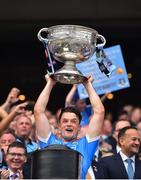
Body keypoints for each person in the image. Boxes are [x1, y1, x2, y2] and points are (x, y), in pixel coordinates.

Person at [34, 74, 105, 179]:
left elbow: (99, 112)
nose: (69, 124)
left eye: (73, 121)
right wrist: (50, 83)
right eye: (65, 121)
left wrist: (87, 85)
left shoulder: (86, 145)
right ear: (59, 125)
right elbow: (38, 111)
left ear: (79, 127)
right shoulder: (48, 142)